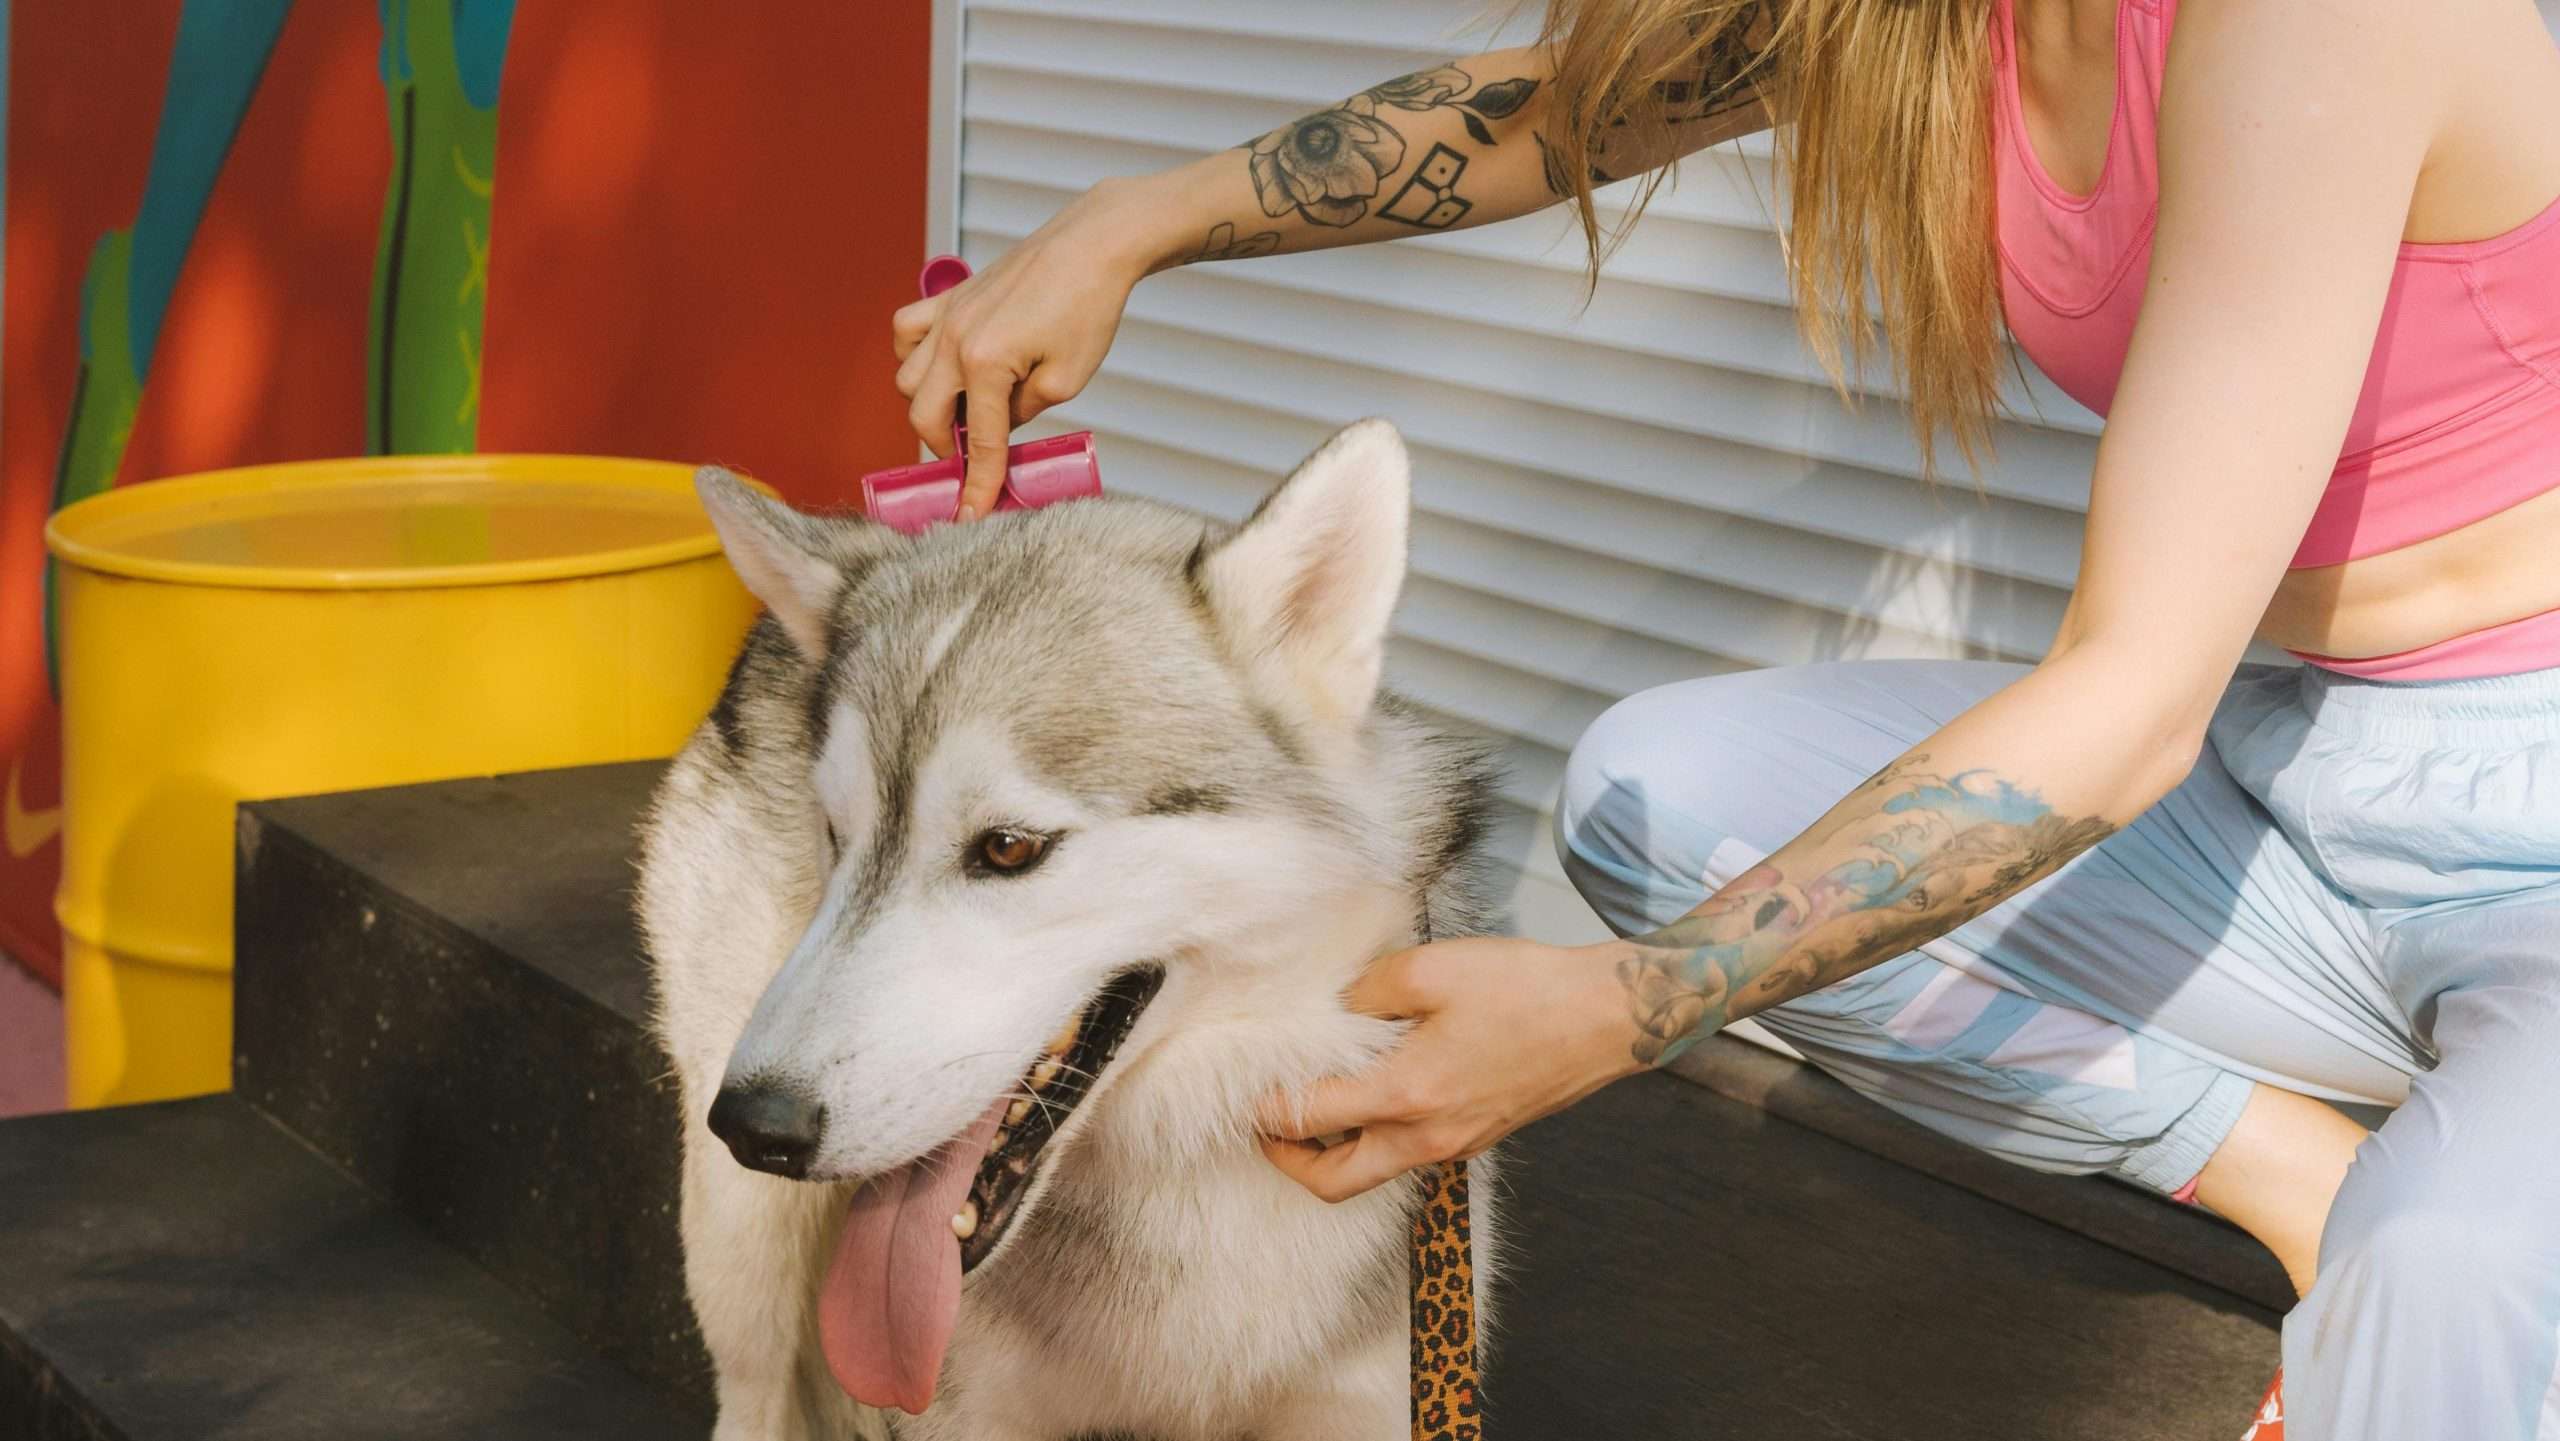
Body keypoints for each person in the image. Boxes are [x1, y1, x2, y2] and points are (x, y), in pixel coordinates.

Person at [890, 0, 2560, 1432]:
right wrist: (1134, 220)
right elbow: (1547, 116)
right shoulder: (1927, 25)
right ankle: (2295, 1174)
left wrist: (1622, 1008)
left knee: (2449, 1274)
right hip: (2294, 759)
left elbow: (2126, 710)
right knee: (1661, 800)